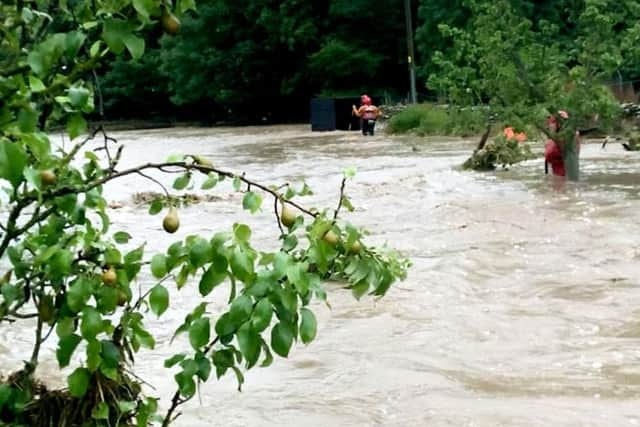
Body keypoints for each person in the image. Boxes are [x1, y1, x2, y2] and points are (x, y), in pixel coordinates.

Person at [544, 110, 580, 178]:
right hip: (559, 175)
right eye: (550, 122)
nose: (550, 125)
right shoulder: (552, 140)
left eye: (552, 122)